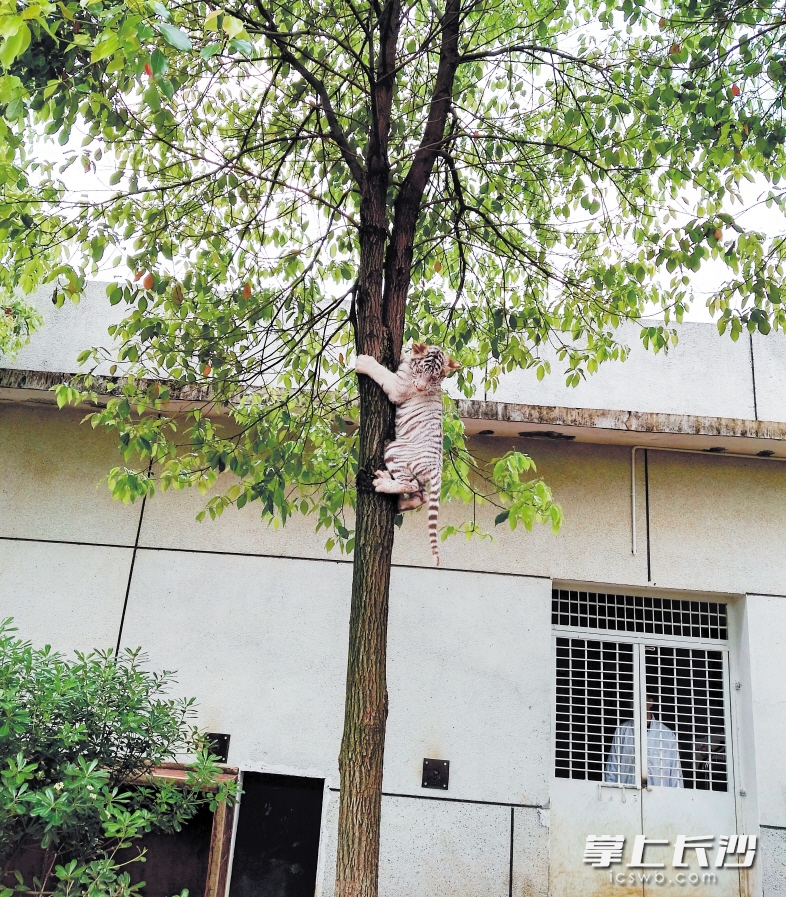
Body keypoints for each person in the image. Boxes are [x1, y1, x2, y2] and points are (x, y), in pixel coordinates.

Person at [604, 696, 684, 787]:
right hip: (628, 795)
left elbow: (675, 773)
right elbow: (612, 768)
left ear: (650, 702)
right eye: (632, 700)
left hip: (659, 796)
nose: (635, 704)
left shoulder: (667, 735)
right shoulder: (622, 731)